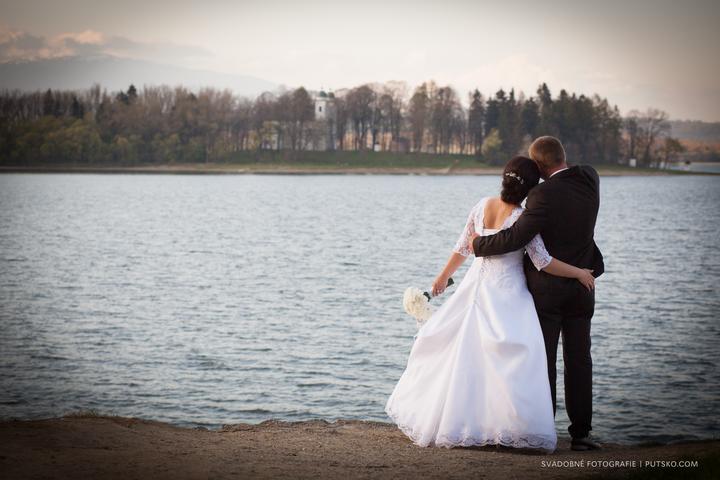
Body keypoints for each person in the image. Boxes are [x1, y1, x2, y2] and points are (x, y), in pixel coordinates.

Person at [385, 155, 594, 452]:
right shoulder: (523, 217)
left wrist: (442, 277)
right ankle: (506, 427)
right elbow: (543, 261)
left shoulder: (482, 205)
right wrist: (579, 273)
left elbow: (462, 247)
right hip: (508, 294)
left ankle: (465, 423)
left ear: (504, 178)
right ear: (531, 187)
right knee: (515, 355)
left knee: (465, 353)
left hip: (475, 287)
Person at [471, 136, 604, 451]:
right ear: (563, 155)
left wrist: (478, 243)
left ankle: (544, 431)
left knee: (543, 361)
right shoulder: (590, 177)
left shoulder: (541, 195)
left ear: (540, 167)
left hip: (548, 293)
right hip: (583, 285)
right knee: (579, 360)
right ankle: (581, 434)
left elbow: (516, 237)